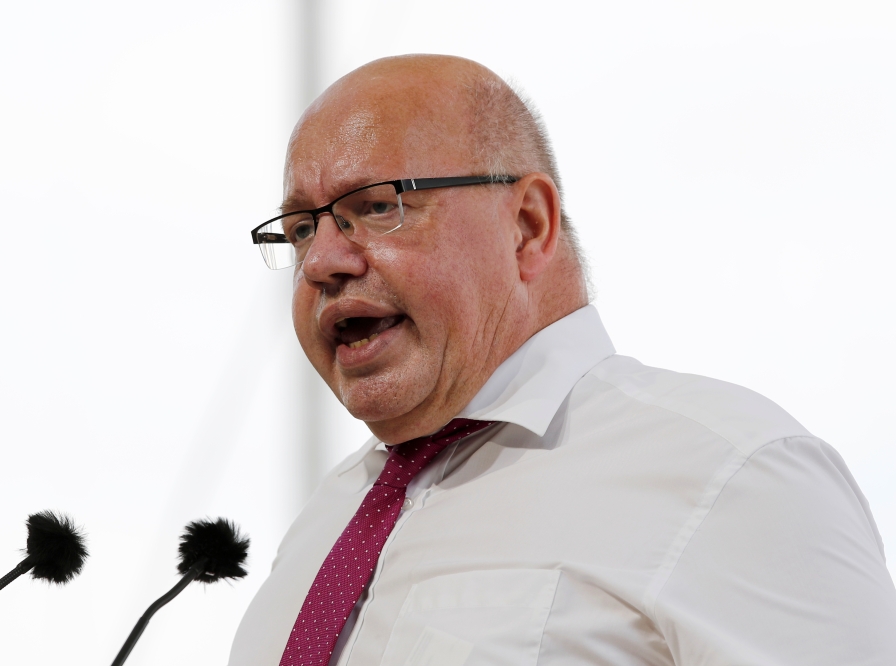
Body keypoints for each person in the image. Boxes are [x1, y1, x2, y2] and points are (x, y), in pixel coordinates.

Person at [230, 54, 896, 665]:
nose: (319, 262)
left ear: (527, 225)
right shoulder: (327, 519)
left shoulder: (732, 474)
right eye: (300, 230)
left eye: (376, 207)